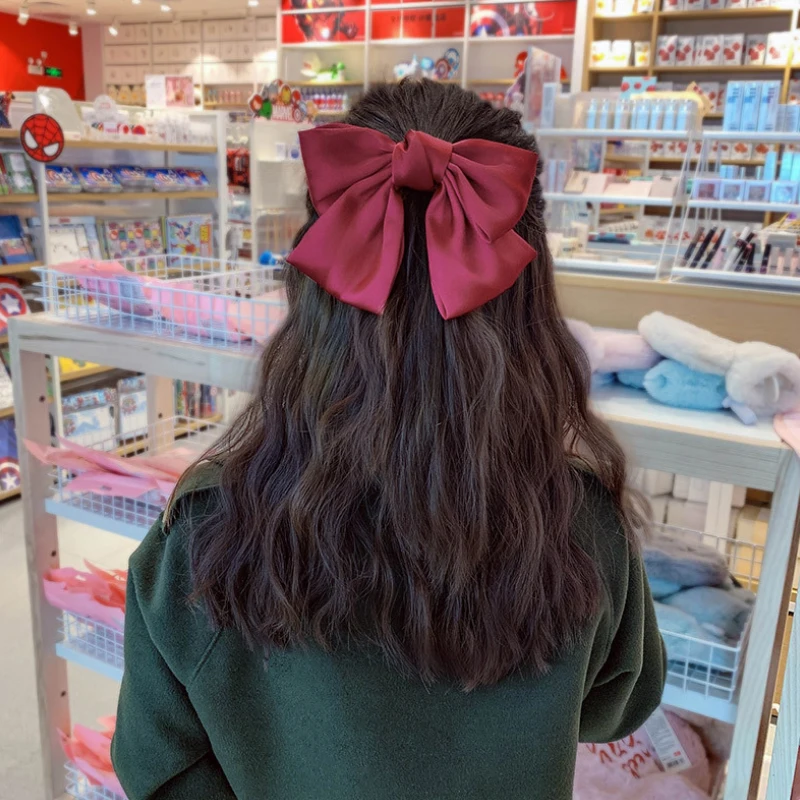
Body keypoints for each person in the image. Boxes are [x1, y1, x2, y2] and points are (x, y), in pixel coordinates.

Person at [112, 80, 665, 799]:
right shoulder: (579, 523)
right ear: (529, 301)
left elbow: (155, 766)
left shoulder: (204, 536)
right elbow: (617, 705)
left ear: (315, 288)